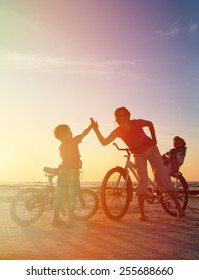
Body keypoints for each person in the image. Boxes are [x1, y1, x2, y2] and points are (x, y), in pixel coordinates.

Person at [91, 106, 185, 221]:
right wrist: (96, 129)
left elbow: (150, 123)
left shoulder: (136, 123)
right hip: (138, 154)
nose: (119, 118)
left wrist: (154, 138)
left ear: (127, 115)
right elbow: (104, 142)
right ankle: (142, 213)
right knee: (142, 181)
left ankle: (179, 209)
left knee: (161, 177)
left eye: (121, 115)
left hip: (151, 149)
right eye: (117, 116)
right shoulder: (118, 131)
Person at [52, 121, 92, 226]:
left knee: (60, 194)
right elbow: (84, 134)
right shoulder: (73, 141)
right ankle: (71, 220)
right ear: (64, 135)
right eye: (69, 131)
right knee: (71, 195)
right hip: (72, 172)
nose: (71, 132)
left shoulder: (61, 146)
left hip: (62, 171)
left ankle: (56, 219)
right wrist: (91, 127)